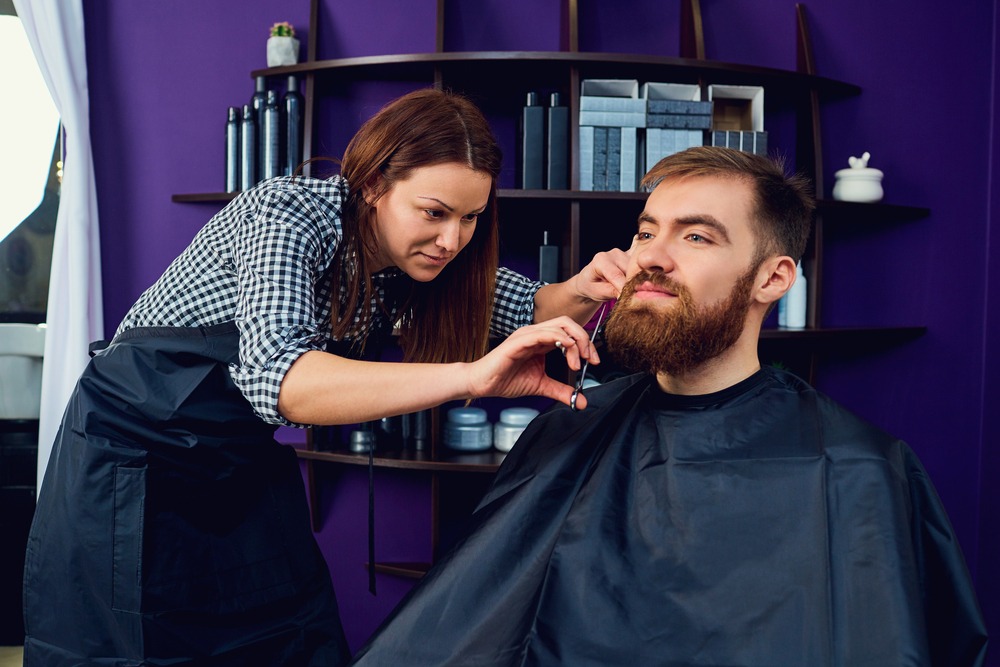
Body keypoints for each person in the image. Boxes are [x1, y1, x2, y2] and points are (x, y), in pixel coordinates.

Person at [21, 88, 630, 666]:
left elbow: (534, 308)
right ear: (373, 186)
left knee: (290, 635)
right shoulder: (286, 213)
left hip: (233, 460)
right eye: (435, 212)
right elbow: (278, 380)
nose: (452, 240)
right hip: (134, 457)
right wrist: (471, 376)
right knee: (132, 644)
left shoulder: (416, 256)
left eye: (470, 218)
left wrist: (583, 288)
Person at [348, 146, 989, 666]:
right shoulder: (569, 429)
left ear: (773, 278)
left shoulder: (854, 470)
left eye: (698, 237)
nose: (648, 256)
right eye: (646, 231)